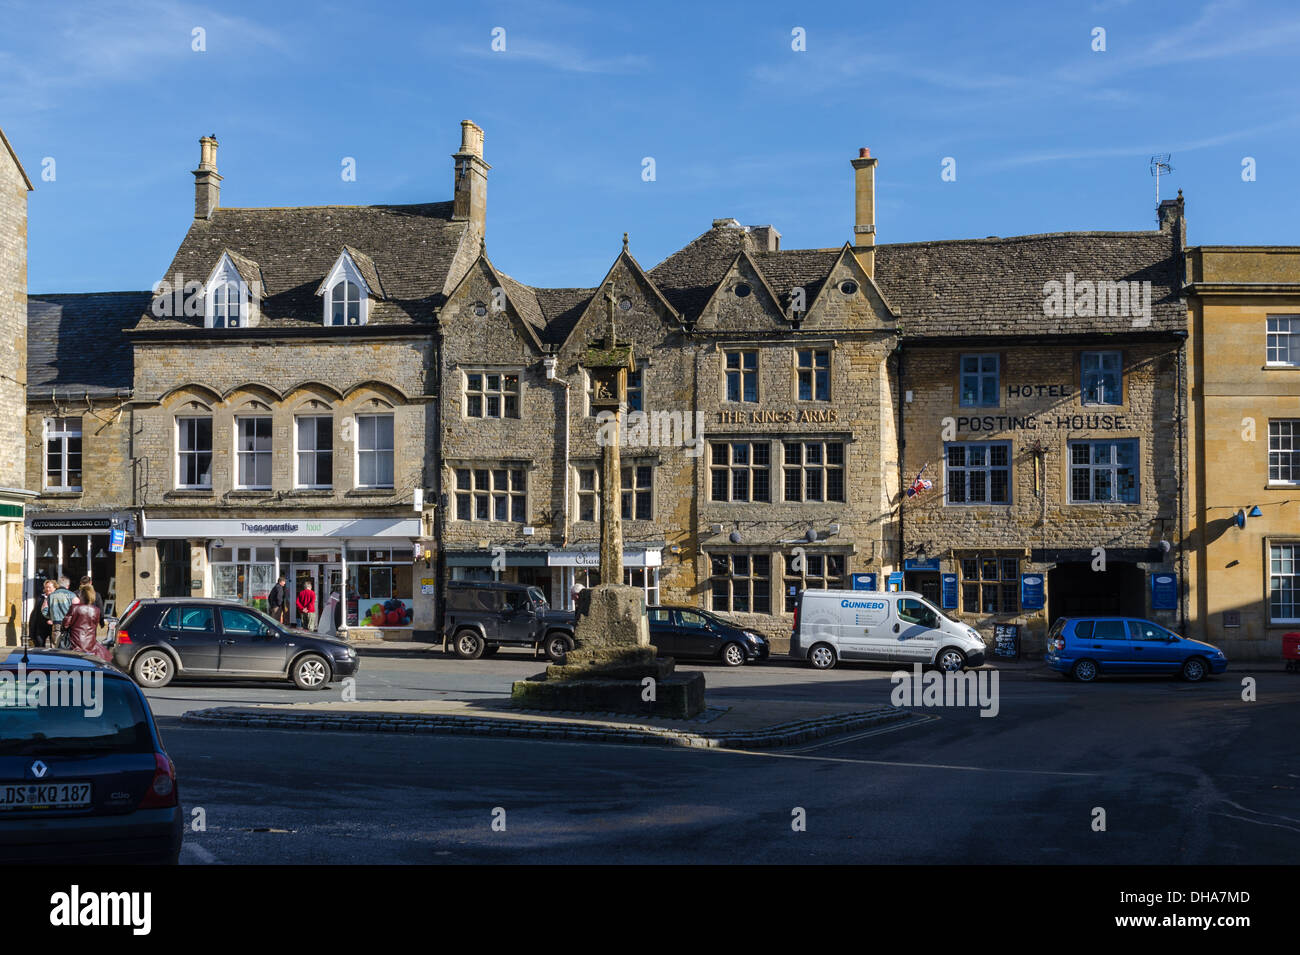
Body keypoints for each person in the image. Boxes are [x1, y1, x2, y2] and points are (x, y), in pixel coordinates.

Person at [65, 584, 110, 663]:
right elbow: (95, 626)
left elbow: (65, 625)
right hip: (90, 644)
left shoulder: (74, 607)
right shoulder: (96, 610)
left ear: (82, 596)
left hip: (75, 643)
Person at [44, 576, 76, 649]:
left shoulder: (51, 596)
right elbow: (77, 610)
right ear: (67, 586)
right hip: (69, 626)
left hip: (56, 624)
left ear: (58, 585)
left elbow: (44, 610)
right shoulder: (72, 595)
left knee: (55, 647)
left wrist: (51, 617)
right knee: (69, 648)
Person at [28, 579, 55, 648]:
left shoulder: (58, 598)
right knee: (39, 646)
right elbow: (35, 613)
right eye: (46, 587)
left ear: (55, 588)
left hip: (53, 626)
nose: (48, 589)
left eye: (50, 587)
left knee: (54, 648)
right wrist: (32, 630)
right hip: (41, 627)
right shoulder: (40, 598)